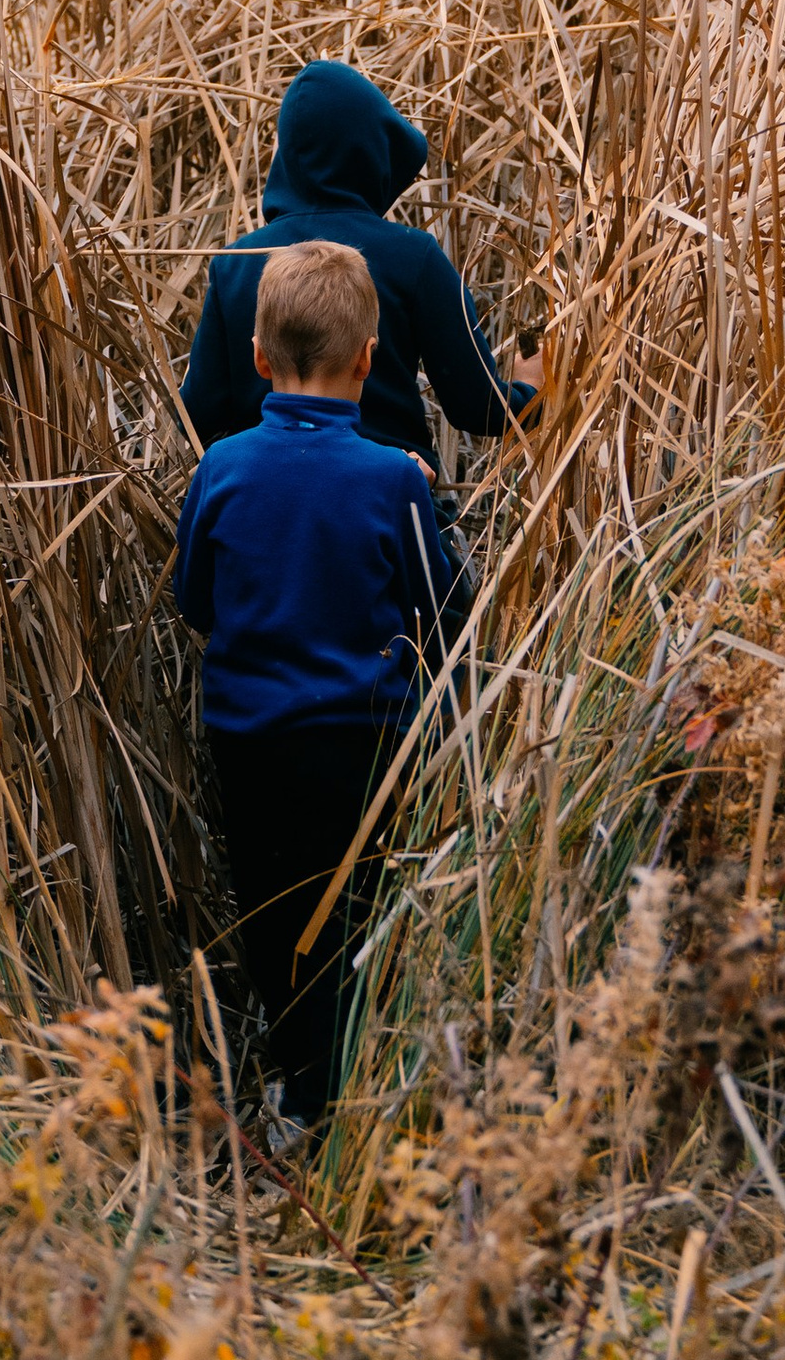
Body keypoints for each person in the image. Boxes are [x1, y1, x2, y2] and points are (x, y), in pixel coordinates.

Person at [173, 237, 462, 1131]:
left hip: (250, 737)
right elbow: (444, 610)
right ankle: (359, 1093)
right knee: (360, 904)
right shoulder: (390, 479)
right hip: (364, 740)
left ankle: (301, 1089)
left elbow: (194, 602)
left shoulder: (220, 466)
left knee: (272, 906)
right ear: (371, 362)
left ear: (257, 358)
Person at [181, 59, 540, 468]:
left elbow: (196, 416)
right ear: (375, 152)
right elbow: (480, 409)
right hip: (390, 500)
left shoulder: (238, 263)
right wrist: (532, 390)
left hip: (264, 504)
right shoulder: (416, 257)